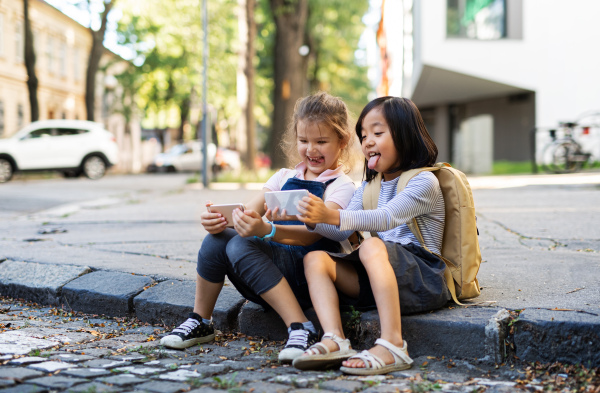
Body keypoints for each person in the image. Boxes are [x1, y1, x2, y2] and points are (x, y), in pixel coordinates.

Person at [160, 91, 358, 363]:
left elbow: (323, 233)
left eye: (321, 141)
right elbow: (245, 214)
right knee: (220, 239)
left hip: (307, 277)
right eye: (303, 141)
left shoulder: (342, 186)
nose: (311, 149)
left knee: (242, 242)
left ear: (342, 141)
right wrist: (219, 220)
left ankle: (301, 327)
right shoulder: (284, 177)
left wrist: (267, 231)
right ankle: (201, 319)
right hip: (265, 274)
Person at [293, 96, 450, 375]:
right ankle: (334, 339)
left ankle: (393, 344)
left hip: (425, 279)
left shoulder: (424, 181)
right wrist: (308, 217)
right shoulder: (370, 185)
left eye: (378, 133)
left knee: (371, 246)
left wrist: (329, 214)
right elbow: (342, 227)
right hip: (381, 275)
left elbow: (386, 217)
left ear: (405, 134)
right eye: (363, 135)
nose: (367, 142)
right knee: (316, 259)